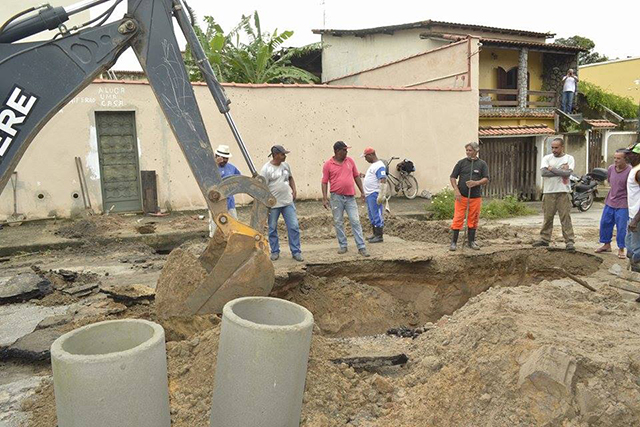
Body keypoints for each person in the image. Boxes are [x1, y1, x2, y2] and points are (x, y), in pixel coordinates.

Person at [322, 141, 370, 257]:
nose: (346, 152)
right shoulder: (328, 164)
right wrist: (324, 198)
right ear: (337, 151)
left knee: (355, 221)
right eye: (344, 150)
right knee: (338, 222)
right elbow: (324, 182)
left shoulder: (350, 161)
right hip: (336, 197)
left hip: (350, 197)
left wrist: (362, 192)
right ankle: (343, 245)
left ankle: (361, 247)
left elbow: (356, 176)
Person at [260, 145, 303, 262]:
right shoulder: (266, 169)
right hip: (274, 205)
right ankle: (275, 251)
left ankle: (296, 251)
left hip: (288, 202)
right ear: (276, 155)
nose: (285, 157)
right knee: (272, 228)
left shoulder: (286, 166)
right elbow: (262, 187)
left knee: (293, 226)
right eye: (283, 154)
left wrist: (294, 190)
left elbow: (290, 178)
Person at [533, 137, 575, 251]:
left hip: (563, 192)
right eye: (552, 147)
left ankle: (569, 241)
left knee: (565, 217)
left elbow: (567, 173)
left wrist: (552, 169)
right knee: (548, 217)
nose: (554, 150)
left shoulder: (569, 158)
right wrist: (560, 171)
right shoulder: (547, 158)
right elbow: (544, 173)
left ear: (562, 147)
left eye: (556, 148)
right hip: (549, 192)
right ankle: (544, 239)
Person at [449, 142, 489, 251]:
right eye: (467, 150)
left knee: (473, 219)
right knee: (458, 218)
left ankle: (471, 242)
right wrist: (456, 190)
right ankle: (453, 242)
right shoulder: (461, 163)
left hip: (475, 197)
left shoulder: (482, 164)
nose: (468, 152)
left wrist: (476, 183)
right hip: (461, 196)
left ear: (476, 151)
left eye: (470, 150)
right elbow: (453, 177)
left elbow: (486, 179)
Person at [595, 149, 631, 258]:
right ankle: (606, 244)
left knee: (621, 227)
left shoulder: (630, 171)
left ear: (625, 159)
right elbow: (610, 181)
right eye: (615, 158)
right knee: (605, 223)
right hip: (610, 201)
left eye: (619, 158)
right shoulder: (611, 168)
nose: (616, 160)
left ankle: (621, 248)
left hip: (623, 203)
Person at [209, 144, 241, 237]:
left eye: (226, 158)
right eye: (223, 158)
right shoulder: (211, 168)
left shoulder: (232, 168)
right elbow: (207, 180)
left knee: (233, 223)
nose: (225, 160)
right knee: (215, 224)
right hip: (215, 203)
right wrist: (215, 164)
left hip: (230, 202)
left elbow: (239, 180)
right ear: (217, 157)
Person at [361, 147, 388, 243]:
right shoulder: (373, 165)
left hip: (374, 193)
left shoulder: (379, 165)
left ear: (371, 155)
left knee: (376, 214)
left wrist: (381, 194)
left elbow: (383, 179)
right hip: (369, 194)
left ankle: (379, 236)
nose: (365, 159)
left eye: (366, 157)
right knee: (372, 214)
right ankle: (375, 234)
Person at [624, 143, 640, 272]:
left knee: (636, 249)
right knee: (630, 247)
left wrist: (635, 219)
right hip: (632, 214)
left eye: (631, 154)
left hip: (637, 217)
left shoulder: (638, 172)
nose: (627, 156)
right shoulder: (634, 169)